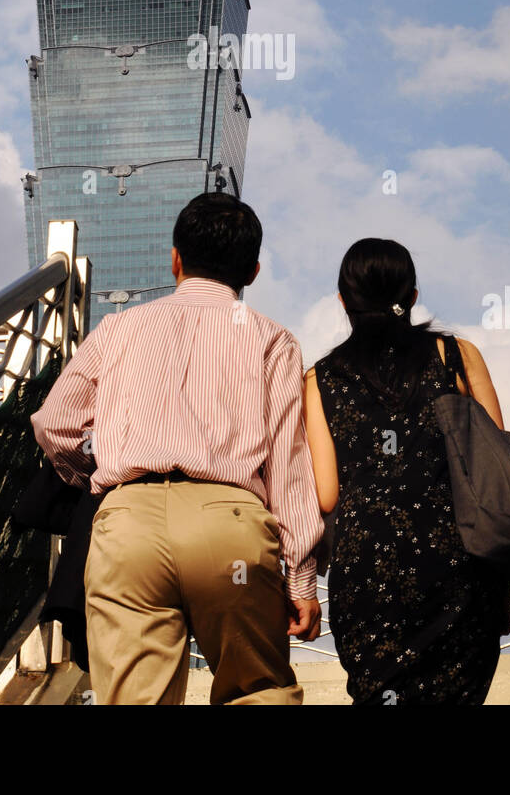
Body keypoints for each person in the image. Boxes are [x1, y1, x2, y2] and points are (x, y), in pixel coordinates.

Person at [30, 192, 324, 705]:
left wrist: (91, 479)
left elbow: (54, 424)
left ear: (175, 258)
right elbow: (289, 471)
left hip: (128, 524)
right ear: (252, 271)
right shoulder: (273, 340)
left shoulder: (118, 328)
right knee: (259, 691)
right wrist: (300, 580)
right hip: (228, 522)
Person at [303, 237, 510, 705]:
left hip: (367, 576)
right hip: (461, 564)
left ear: (343, 302)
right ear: (412, 296)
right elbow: (497, 464)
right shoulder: (455, 356)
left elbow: (327, 496)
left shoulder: (319, 380)